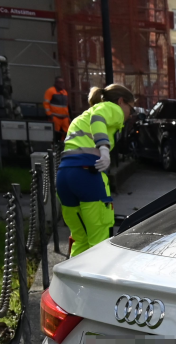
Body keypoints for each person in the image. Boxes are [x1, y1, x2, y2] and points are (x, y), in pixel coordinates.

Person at [57, 83, 135, 256]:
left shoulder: (82, 117)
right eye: (131, 108)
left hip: (64, 175)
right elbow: (98, 119)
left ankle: (73, 272)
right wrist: (104, 147)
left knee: (80, 239)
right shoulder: (112, 108)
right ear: (121, 101)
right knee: (99, 242)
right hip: (88, 175)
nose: (130, 114)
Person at [43, 77, 71, 143]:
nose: (62, 84)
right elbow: (46, 103)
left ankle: (63, 145)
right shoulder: (50, 91)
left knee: (67, 132)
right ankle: (55, 145)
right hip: (55, 116)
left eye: (63, 82)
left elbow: (66, 106)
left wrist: (68, 116)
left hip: (64, 117)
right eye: (60, 82)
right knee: (55, 133)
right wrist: (49, 114)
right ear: (56, 83)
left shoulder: (65, 92)